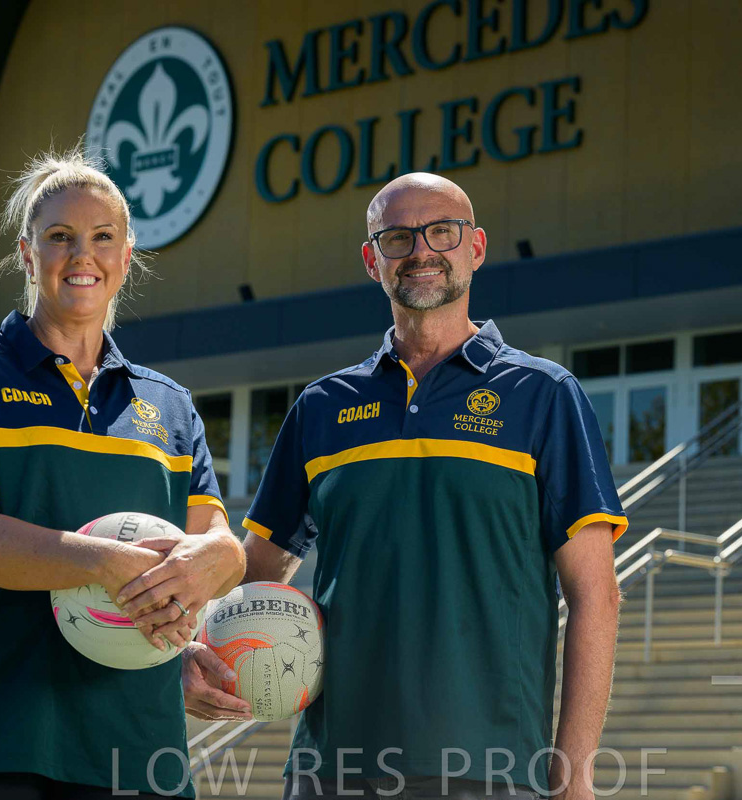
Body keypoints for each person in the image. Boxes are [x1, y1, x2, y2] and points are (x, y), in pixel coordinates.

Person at [174, 173, 627, 799]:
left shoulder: (545, 395)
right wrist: (195, 648)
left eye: (442, 231)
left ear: (476, 248)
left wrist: (575, 772)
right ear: (372, 260)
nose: (421, 250)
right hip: (331, 768)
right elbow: (255, 572)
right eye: (397, 237)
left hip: (491, 765)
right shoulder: (322, 407)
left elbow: (596, 593)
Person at [0, 146, 246, 800]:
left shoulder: (169, 404)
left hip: (137, 752)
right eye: (60, 237)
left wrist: (209, 578)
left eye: (102, 237)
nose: (83, 255)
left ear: (126, 257)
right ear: (27, 254)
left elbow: (215, 545)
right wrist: (111, 564)